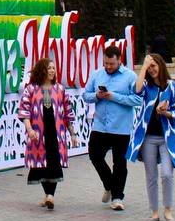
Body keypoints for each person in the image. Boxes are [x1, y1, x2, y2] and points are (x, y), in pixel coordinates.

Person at [82, 44, 143, 211]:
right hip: (100, 125)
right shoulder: (97, 74)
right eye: (106, 63)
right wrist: (97, 95)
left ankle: (117, 197)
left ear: (119, 61)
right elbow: (85, 95)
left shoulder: (130, 76)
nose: (108, 67)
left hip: (121, 127)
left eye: (112, 64)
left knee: (120, 163)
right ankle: (109, 184)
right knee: (95, 155)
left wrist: (114, 96)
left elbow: (137, 100)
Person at [127, 53, 175, 221]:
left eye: (153, 66)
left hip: (167, 138)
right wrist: (143, 67)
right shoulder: (146, 86)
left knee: (167, 174)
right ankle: (154, 211)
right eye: (149, 67)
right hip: (148, 138)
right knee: (151, 175)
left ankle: (168, 210)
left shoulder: (173, 87)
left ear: (161, 65)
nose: (151, 70)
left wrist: (166, 112)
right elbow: (135, 90)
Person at [16, 58, 76, 210]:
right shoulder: (31, 90)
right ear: (42, 70)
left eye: (53, 68)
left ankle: (50, 196)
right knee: (40, 165)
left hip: (56, 134)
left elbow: (68, 113)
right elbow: (24, 112)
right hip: (38, 135)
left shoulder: (60, 89)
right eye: (49, 68)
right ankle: (48, 195)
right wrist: (29, 130)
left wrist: (72, 134)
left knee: (54, 164)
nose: (52, 71)